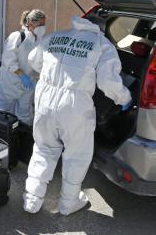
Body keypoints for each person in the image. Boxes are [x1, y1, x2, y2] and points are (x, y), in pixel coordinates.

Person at [23, 15, 132, 216]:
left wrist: (52, 76)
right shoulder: (101, 44)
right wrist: (125, 98)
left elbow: (33, 60)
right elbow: (108, 83)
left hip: (45, 100)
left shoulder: (55, 36)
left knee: (43, 149)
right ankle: (68, 203)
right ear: (101, 27)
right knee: (76, 155)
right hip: (74, 105)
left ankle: (31, 200)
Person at [0, 9, 47, 125]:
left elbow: (38, 60)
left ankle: (23, 136)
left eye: (44, 24)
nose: (43, 27)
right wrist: (22, 74)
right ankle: (2, 138)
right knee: (4, 112)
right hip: (10, 82)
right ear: (30, 22)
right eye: (41, 24)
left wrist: (38, 76)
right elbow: (8, 60)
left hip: (28, 83)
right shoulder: (17, 36)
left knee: (25, 113)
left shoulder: (39, 40)